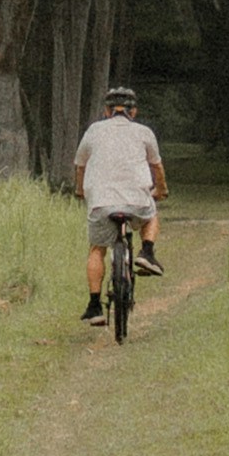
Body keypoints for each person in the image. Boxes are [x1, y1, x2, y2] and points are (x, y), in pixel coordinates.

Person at [73, 85, 167, 327]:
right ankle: (146, 252)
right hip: (136, 198)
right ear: (133, 112)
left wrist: (80, 190)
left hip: (101, 201)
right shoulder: (144, 132)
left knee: (97, 249)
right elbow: (157, 167)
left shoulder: (94, 131)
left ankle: (94, 306)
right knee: (152, 214)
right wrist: (161, 190)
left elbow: (80, 166)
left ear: (106, 111)